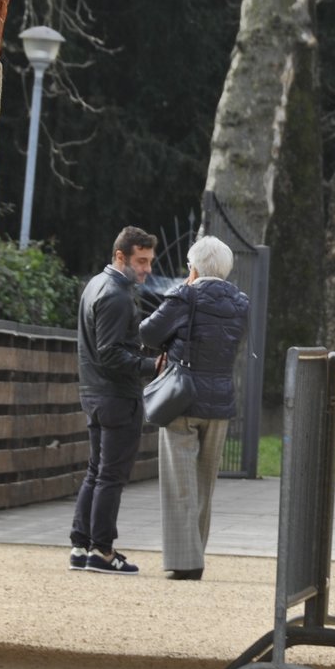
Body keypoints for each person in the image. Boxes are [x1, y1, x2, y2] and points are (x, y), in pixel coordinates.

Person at [138, 236, 251, 581]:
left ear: (194, 267)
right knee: (204, 484)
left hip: (182, 398)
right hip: (220, 401)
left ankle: (185, 561)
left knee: (179, 483)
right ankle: (196, 552)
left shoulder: (185, 294)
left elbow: (148, 332)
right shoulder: (241, 302)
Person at [70, 226, 159, 575]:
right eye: (141, 260)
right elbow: (110, 353)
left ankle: (81, 545)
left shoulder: (94, 285)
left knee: (96, 471)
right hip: (115, 395)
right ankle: (102, 551)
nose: (147, 269)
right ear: (120, 257)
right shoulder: (117, 295)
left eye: (150, 261)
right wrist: (151, 365)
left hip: (93, 392)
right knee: (111, 475)